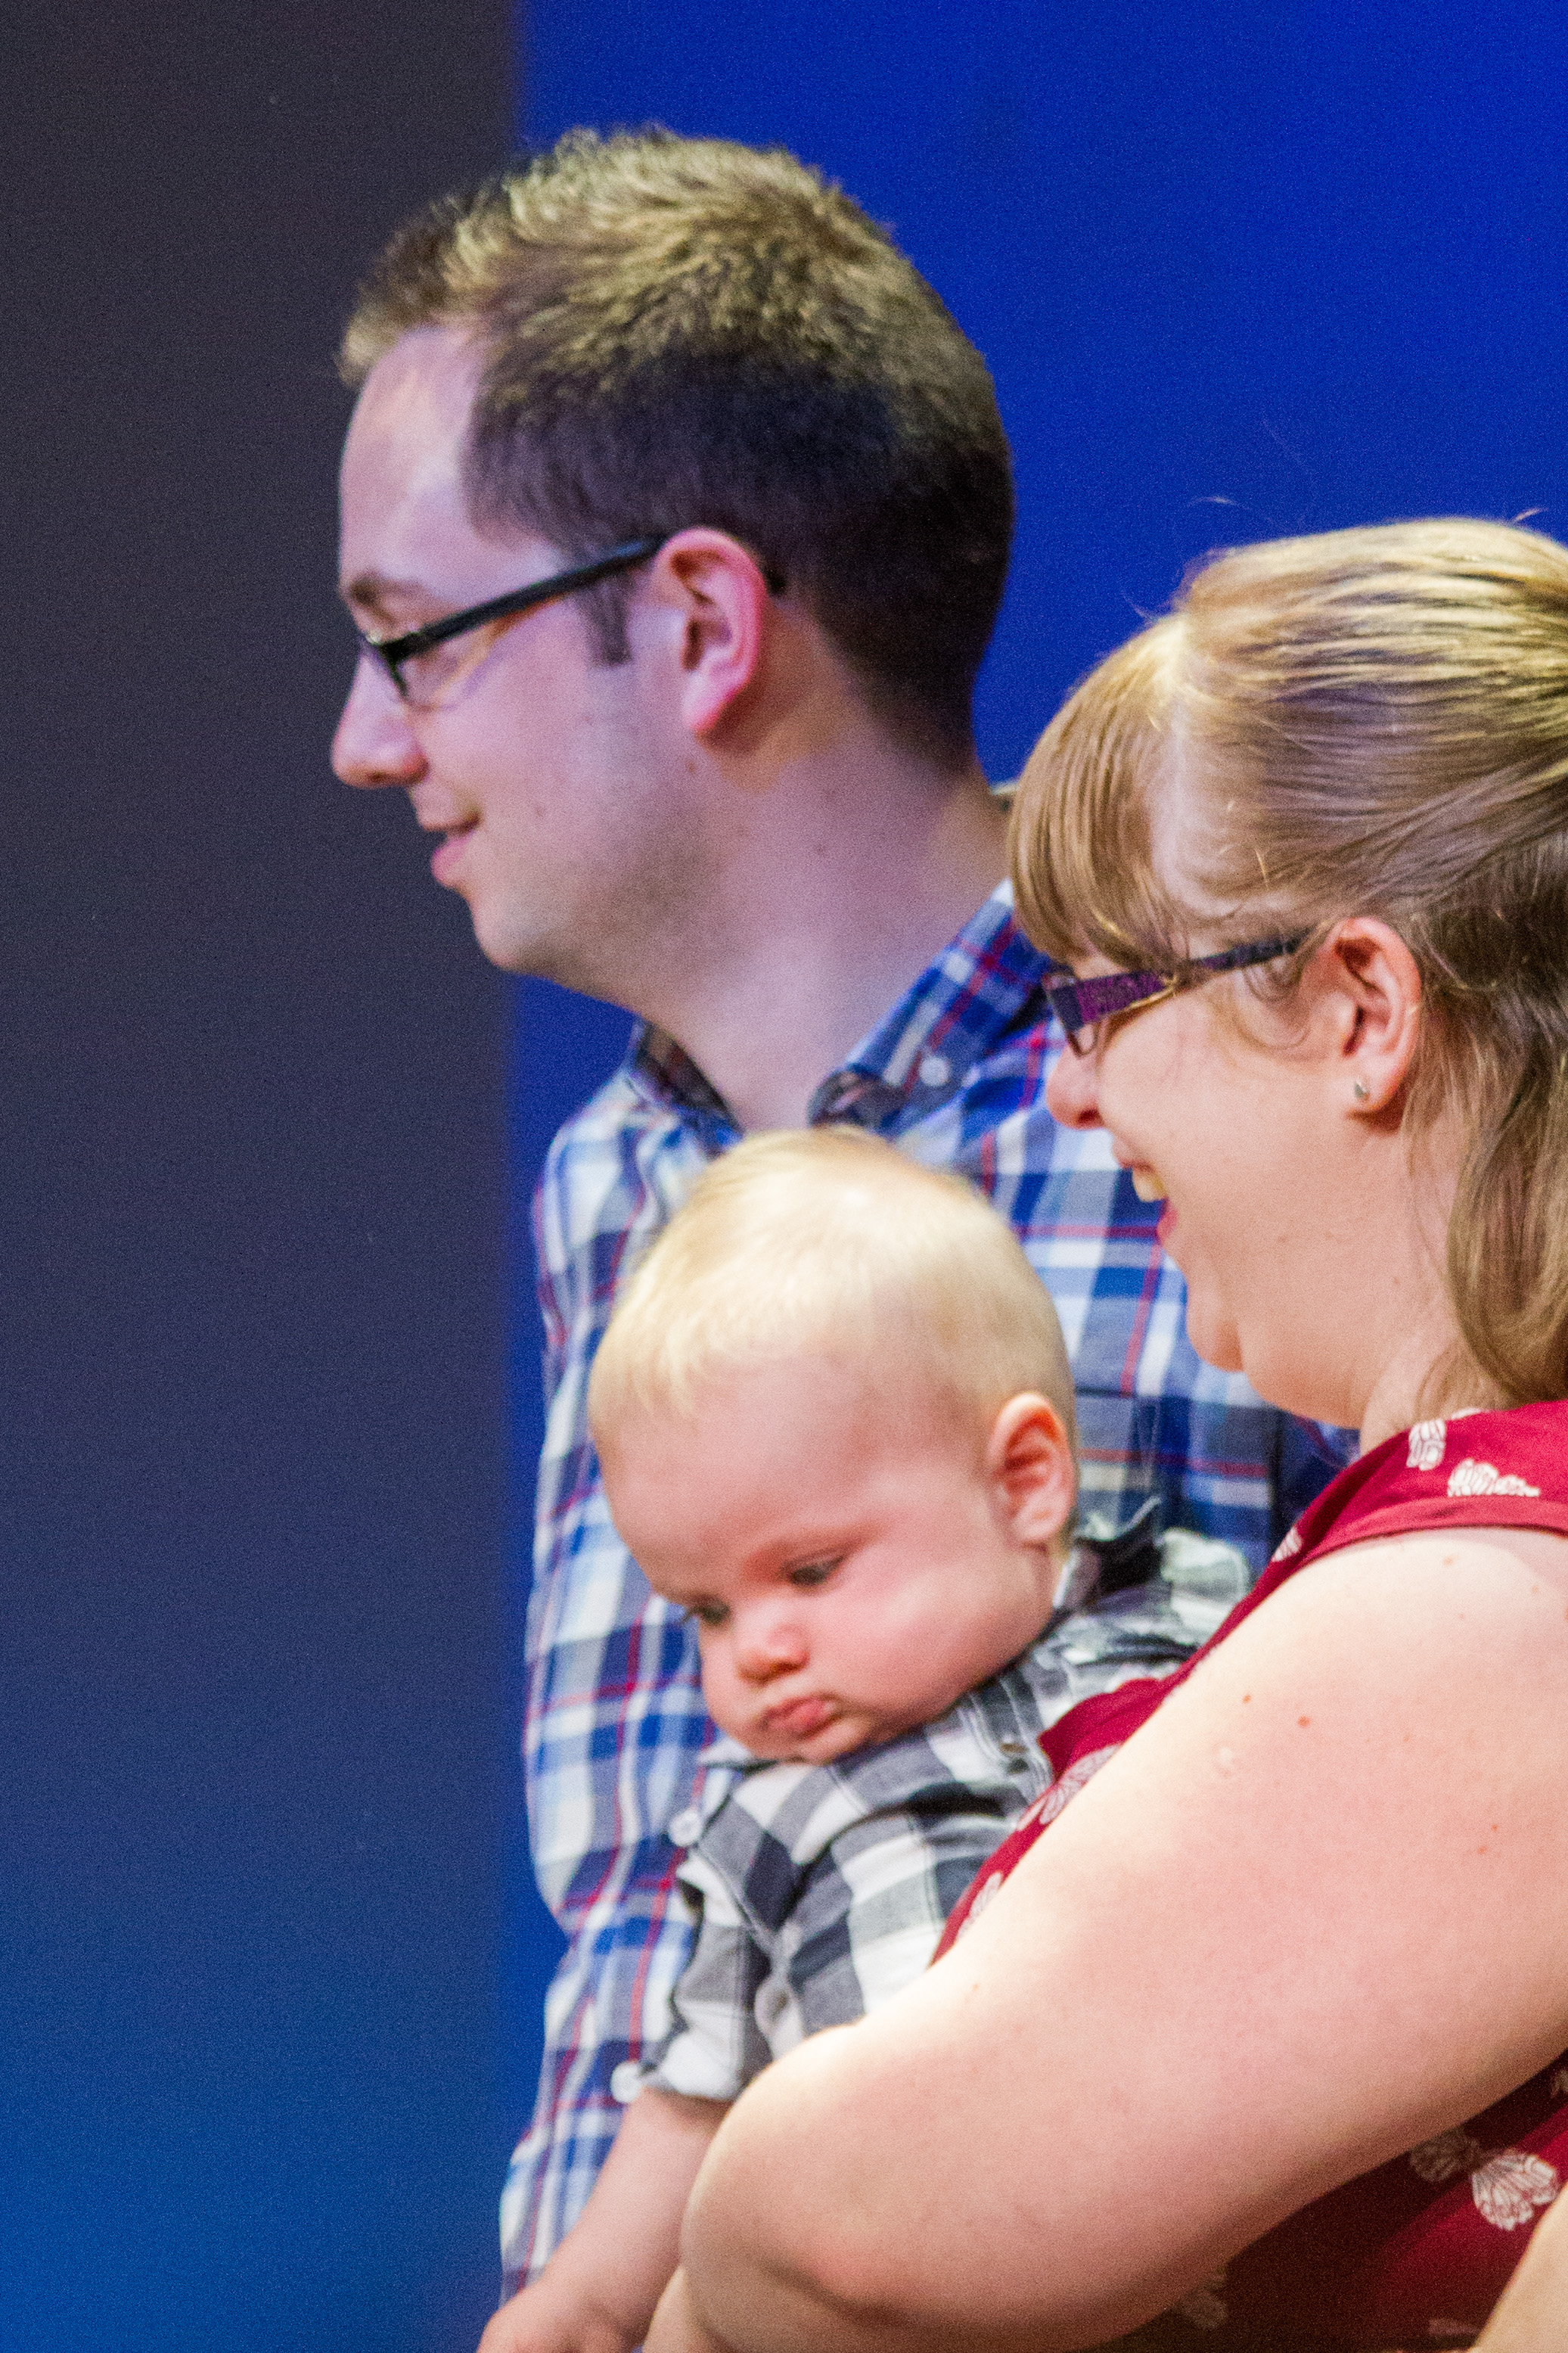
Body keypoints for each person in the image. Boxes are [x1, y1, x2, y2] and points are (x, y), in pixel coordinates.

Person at [328, 128, 1330, 2292]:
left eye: (413, 642)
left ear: (699, 622)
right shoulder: (614, 1187)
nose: (362, 742)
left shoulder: (1219, 1071)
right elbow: (667, 1920)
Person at [642, 517, 1568, 2353]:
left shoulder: (1495, 1592)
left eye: (1101, 998)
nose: (1067, 1086)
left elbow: (862, 2229)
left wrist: (734, 2214)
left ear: (1358, 1009)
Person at [489, 1127, 1253, 2353]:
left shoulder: (1198, 1633)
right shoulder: (765, 1814)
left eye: (809, 1569)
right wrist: (583, 2303)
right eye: (707, 1609)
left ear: (1023, 1481)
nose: (757, 1647)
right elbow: (692, 2100)